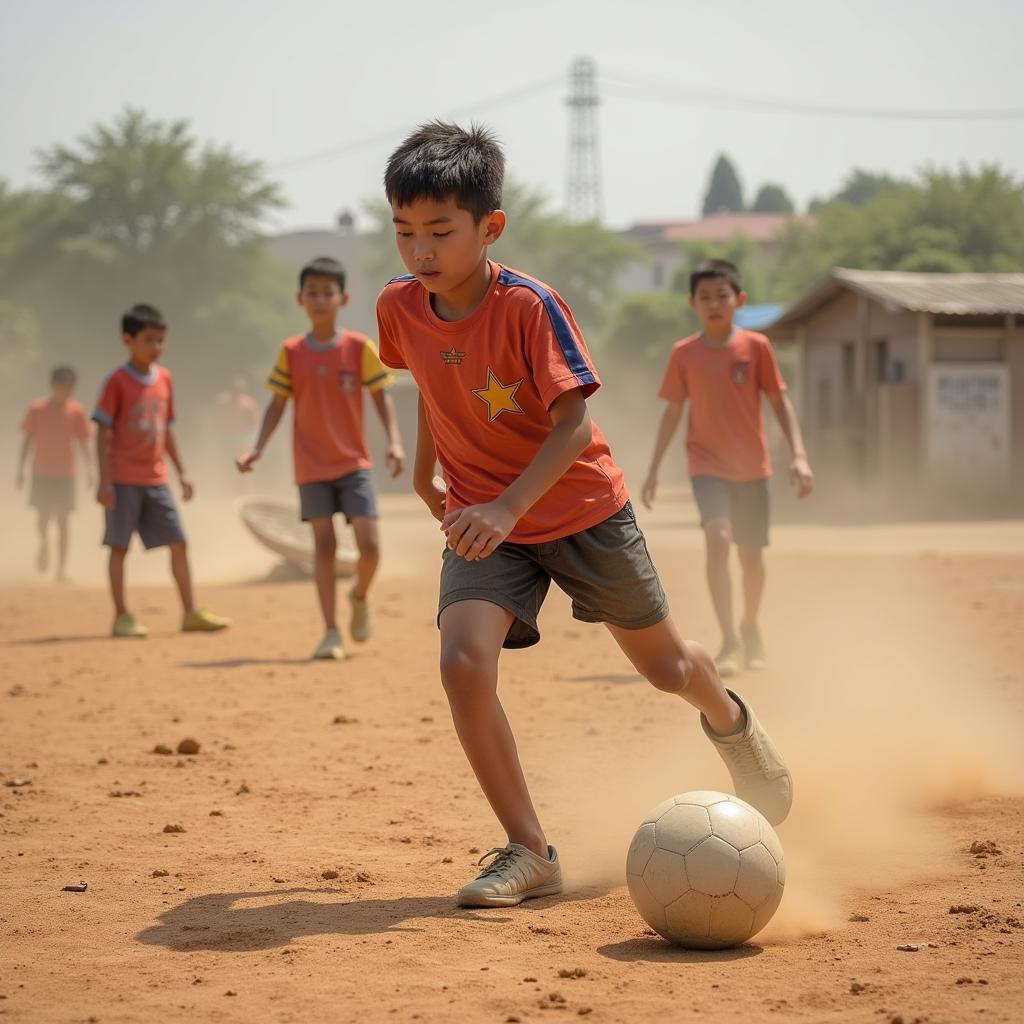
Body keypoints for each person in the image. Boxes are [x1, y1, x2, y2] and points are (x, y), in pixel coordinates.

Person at [375, 121, 792, 909]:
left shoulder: (531, 306)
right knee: (462, 663)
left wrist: (507, 504)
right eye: (403, 231)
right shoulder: (399, 307)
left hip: (579, 509)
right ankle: (529, 850)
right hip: (481, 519)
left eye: (439, 230)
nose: (419, 251)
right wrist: (427, 473)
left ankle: (730, 718)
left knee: (669, 669)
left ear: (489, 227)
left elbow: (574, 426)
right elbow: (430, 384)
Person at [642, 259, 814, 676]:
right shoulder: (685, 354)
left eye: (722, 296)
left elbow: (779, 402)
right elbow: (672, 413)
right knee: (718, 538)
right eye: (705, 297)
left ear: (739, 300)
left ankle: (750, 626)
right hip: (706, 465)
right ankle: (729, 641)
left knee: (751, 557)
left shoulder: (756, 347)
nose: (714, 304)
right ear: (692, 303)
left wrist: (799, 456)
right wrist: (653, 469)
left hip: (754, 468)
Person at [237, 257, 405, 660]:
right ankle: (331, 631)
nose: (319, 299)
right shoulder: (291, 352)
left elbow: (382, 399)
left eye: (327, 293)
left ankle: (359, 594)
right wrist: (257, 447)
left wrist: (395, 443)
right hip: (311, 467)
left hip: (354, 465)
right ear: (300, 299)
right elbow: (276, 406)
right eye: (312, 292)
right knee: (324, 548)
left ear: (342, 298)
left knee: (370, 547)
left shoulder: (359, 348)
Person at [92, 303, 231, 638]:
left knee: (179, 543)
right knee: (119, 548)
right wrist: (105, 481)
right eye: (149, 340)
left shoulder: (165, 379)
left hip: (157, 479)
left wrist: (182, 472)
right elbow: (102, 432)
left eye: (161, 340)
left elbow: (166, 430)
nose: (156, 347)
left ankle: (190, 611)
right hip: (123, 479)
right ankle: (122, 615)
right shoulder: (117, 381)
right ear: (128, 339)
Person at [17, 366, 93, 583]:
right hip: (41, 472)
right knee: (42, 519)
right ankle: (43, 544)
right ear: (53, 386)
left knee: (63, 521)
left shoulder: (77, 411)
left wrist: (90, 470)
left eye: (70, 387)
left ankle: (61, 570)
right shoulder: (37, 409)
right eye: (62, 386)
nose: (66, 391)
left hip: (66, 474)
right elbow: (27, 440)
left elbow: (83, 442)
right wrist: (20, 470)